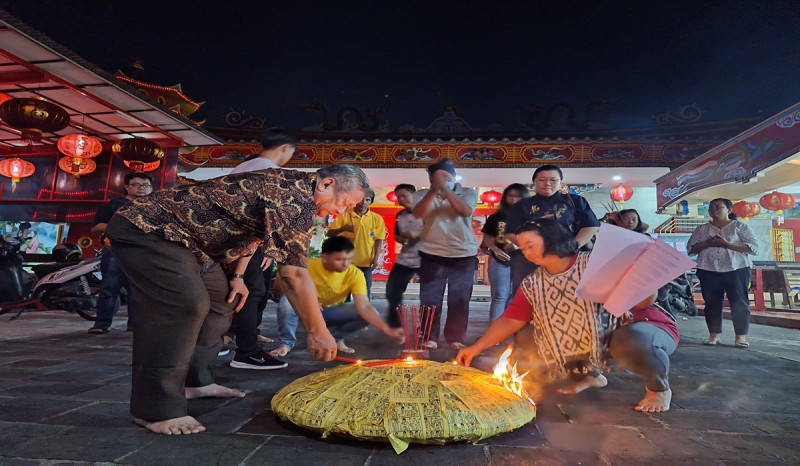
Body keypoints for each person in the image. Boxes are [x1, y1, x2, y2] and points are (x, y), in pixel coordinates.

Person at [105, 164, 369, 435]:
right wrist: (318, 331)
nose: (341, 212)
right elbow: (293, 274)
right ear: (326, 185)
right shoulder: (295, 197)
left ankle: (197, 381)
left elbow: (250, 234)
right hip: (148, 227)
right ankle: (155, 408)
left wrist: (238, 277)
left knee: (221, 299)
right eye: (345, 203)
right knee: (185, 305)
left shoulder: (295, 192)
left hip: (191, 244)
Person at [457, 218, 678, 413]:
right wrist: (477, 347)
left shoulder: (594, 263)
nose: (526, 252)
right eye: (522, 247)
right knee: (533, 335)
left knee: (631, 339)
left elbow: (644, 302)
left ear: (552, 239)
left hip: (643, 327)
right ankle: (589, 376)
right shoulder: (534, 283)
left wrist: (642, 278)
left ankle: (658, 388)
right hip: (596, 338)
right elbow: (511, 319)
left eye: (530, 245)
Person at [224, 128, 296, 369]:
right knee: (251, 292)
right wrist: (268, 247)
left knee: (235, 292)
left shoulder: (243, 167)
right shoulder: (270, 171)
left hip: (226, 241)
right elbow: (262, 217)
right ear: (285, 148)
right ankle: (247, 353)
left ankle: (229, 341)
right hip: (247, 243)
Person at [271, 236, 403, 356]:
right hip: (304, 311)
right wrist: (309, 302)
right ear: (324, 257)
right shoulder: (307, 266)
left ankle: (335, 339)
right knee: (286, 302)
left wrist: (387, 329)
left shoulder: (355, 273)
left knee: (371, 311)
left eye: (349, 259)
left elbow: (364, 306)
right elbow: (282, 286)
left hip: (329, 312)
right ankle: (286, 343)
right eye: (340, 259)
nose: (345, 264)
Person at [412, 160, 478, 350]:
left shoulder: (468, 193)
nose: (443, 181)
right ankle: (428, 336)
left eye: (447, 177)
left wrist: (447, 191)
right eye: (437, 177)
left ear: (454, 177)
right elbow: (418, 215)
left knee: (460, 298)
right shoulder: (422, 194)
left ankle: (455, 337)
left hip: (463, 254)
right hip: (431, 253)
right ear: (430, 179)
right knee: (430, 298)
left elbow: (465, 211)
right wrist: (434, 190)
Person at [504, 164, 600, 293]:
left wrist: (572, 247)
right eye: (542, 180)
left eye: (553, 180)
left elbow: (590, 226)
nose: (547, 183)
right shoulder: (522, 205)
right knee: (530, 295)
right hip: (532, 262)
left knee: (568, 296)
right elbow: (510, 233)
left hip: (567, 259)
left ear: (560, 182)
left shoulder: (576, 201)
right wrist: (529, 248)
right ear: (534, 182)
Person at [687, 198, 758, 348]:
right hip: (708, 269)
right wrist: (707, 243)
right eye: (711, 208)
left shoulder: (740, 227)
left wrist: (727, 244)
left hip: (737, 269)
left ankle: (740, 337)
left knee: (739, 302)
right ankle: (714, 335)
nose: (713, 210)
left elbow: (753, 248)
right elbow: (691, 249)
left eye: (718, 207)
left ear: (729, 210)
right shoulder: (702, 229)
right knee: (712, 303)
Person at [88, 172, 153, 334]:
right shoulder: (115, 205)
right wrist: (121, 228)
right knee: (109, 287)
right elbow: (96, 227)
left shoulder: (154, 206)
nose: (141, 189)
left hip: (143, 253)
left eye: (145, 186)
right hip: (115, 250)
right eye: (136, 185)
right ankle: (101, 324)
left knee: (138, 290)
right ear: (127, 187)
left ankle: (134, 324)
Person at [481, 183, 529, 322]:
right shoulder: (497, 217)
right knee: (499, 296)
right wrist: (495, 249)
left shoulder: (529, 216)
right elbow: (487, 238)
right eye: (511, 196)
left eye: (518, 197)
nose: (514, 200)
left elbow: (536, 237)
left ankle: (510, 331)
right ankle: (495, 333)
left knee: (516, 297)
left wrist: (518, 246)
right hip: (500, 259)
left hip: (523, 261)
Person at [326, 187, 386, 298]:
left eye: (367, 200)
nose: (364, 202)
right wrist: (343, 229)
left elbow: (378, 240)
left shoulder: (376, 219)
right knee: (343, 295)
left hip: (366, 263)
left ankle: (362, 315)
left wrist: (375, 258)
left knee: (364, 294)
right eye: (361, 199)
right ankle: (344, 315)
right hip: (346, 262)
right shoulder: (344, 215)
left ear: (371, 202)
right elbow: (329, 234)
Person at [384, 184, 424, 328]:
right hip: (405, 258)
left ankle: (425, 326)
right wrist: (405, 239)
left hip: (427, 259)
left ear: (415, 195)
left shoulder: (428, 212)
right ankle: (395, 324)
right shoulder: (400, 215)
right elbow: (397, 236)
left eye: (404, 196)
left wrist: (417, 235)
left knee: (428, 295)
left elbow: (437, 232)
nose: (401, 200)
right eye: (398, 197)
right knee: (392, 290)